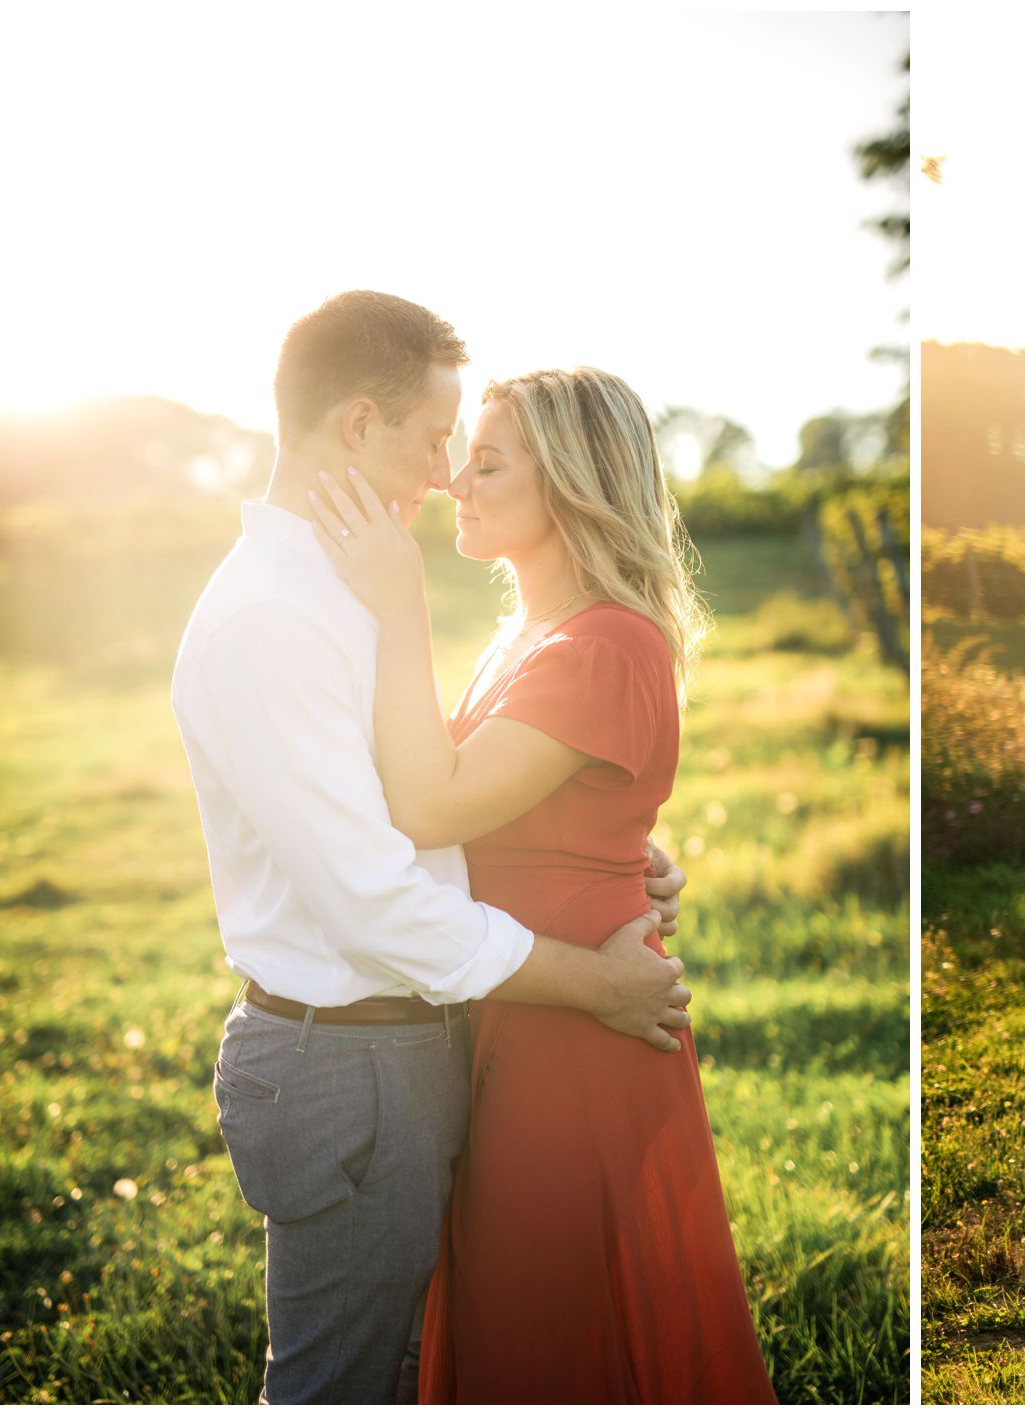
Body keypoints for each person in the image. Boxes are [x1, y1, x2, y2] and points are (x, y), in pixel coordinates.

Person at [173, 291, 694, 1404]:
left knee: (438, 1363)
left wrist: (608, 858)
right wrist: (593, 977)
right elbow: (377, 892)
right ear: (358, 426)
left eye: (474, 454)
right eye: (430, 441)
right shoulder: (279, 615)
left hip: (415, 1044)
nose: (443, 472)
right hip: (351, 1055)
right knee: (341, 1385)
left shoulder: (339, 593)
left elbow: (466, 798)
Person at [312, 364, 776, 1401]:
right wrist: (630, 857)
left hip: (575, 1031)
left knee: (546, 1319)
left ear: (569, 482)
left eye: (486, 464)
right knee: (524, 1311)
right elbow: (522, 814)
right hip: (525, 999)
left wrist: (398, 603)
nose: (452, 485)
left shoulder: (602, 641)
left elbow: (432, 805)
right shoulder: (527, 638)